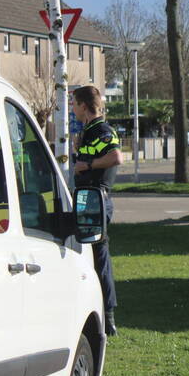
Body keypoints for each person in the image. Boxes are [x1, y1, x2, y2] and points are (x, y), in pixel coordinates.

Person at [72, 86, 123, 336]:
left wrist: (88, 163)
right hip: (88, 199)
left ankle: (108, 317)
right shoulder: (88, 132)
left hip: (97, 200)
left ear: (83, 105)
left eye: (74, 104)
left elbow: (116, 157)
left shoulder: (102, 130)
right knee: (87, 255)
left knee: (99, 257)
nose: (72, 109)